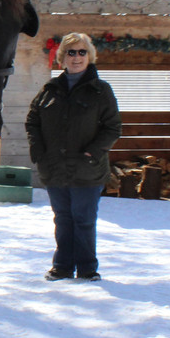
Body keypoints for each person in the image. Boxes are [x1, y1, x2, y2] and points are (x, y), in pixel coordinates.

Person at [26, 32, 122, 281]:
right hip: (55, 169)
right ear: (62, 58)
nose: (76, 57)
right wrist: (38, 151)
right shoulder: (50, 90)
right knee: (63, 220)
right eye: (71, 52)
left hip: (87, 169)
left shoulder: (101, 91)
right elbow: (32, 120)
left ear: (89, 56)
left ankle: (88, 268)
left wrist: (93, 151)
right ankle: (62, 266)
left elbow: (113, 128)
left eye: (82, 52)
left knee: (84, 220)